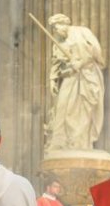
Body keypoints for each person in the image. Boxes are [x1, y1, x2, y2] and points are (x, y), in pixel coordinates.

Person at [45, 14, 106, 152]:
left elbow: (96, 52)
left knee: (84, 109)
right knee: (62, 107)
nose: (56, 31)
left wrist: (81, 62)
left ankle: (80, 143)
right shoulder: (60, 42)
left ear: (64, 23)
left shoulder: (82, 32)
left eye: (57, 26)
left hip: (87, 75)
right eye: (54, 29)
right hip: (70, 77)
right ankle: (60, 142)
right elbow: (56, 62)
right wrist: (52, 79)